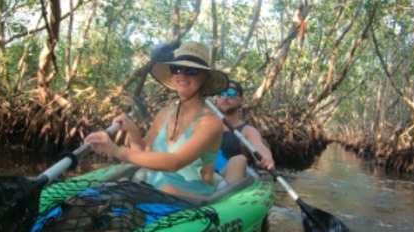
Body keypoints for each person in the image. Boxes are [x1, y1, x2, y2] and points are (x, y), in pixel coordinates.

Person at [83, 41, 229, 199]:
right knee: (121, 184)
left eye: (192, 70)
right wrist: (132, 131)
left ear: (205, 78)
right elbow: (143, 154)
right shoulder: (164, 114)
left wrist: (116, 150)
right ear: (172, 75)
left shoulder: (210, 122)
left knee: (164, 189)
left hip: (189, 193)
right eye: (176, 69)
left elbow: (174, 162)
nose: (182, 74)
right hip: (156, 184)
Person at [213, 79, 274, 179]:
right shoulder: (204, 126)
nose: (225, 97)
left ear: (241, 101)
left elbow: (258, 145)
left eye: (231, 93)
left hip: (229, 178)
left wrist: (265, 157)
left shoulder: (247, 131)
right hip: (206, 176)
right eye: (221, 93)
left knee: (239, 160)